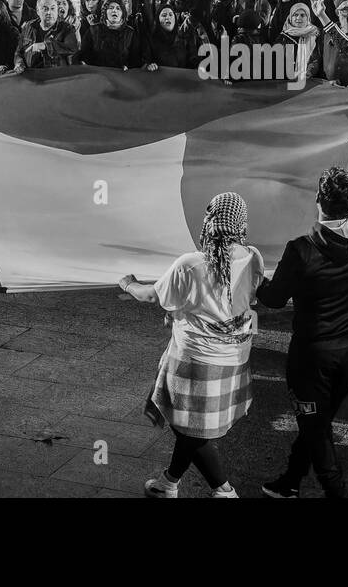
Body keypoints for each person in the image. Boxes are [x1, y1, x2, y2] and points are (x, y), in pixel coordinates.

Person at [257, 99, 348, 498]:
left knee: (315, 426)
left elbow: (271, 299)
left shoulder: (301, 250)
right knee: (316, 423)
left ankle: (335, 492)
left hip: (311, 358)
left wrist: (252, 275)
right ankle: (289, 482)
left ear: (318, 200)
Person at [118, 192, 261, 499]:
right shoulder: (253, 257)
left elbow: (150, 296)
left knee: (189, 428)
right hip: (234, 356)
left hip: (194, 361)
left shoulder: (190, 264)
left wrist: (126, 282)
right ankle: (168, 484)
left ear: (210, 221)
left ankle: (224, 491)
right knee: (193, 427)